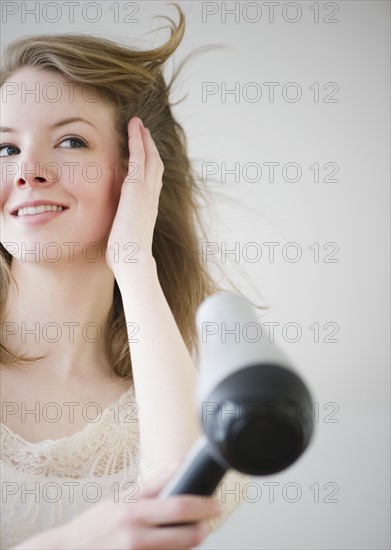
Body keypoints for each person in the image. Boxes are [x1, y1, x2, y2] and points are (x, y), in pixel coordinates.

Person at [0, 5, 247, 549]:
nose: (27, 169)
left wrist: (134, 260)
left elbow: (181, 511)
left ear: (139, 173)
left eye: (71, 141)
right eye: (6, 147)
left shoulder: (195, 402)